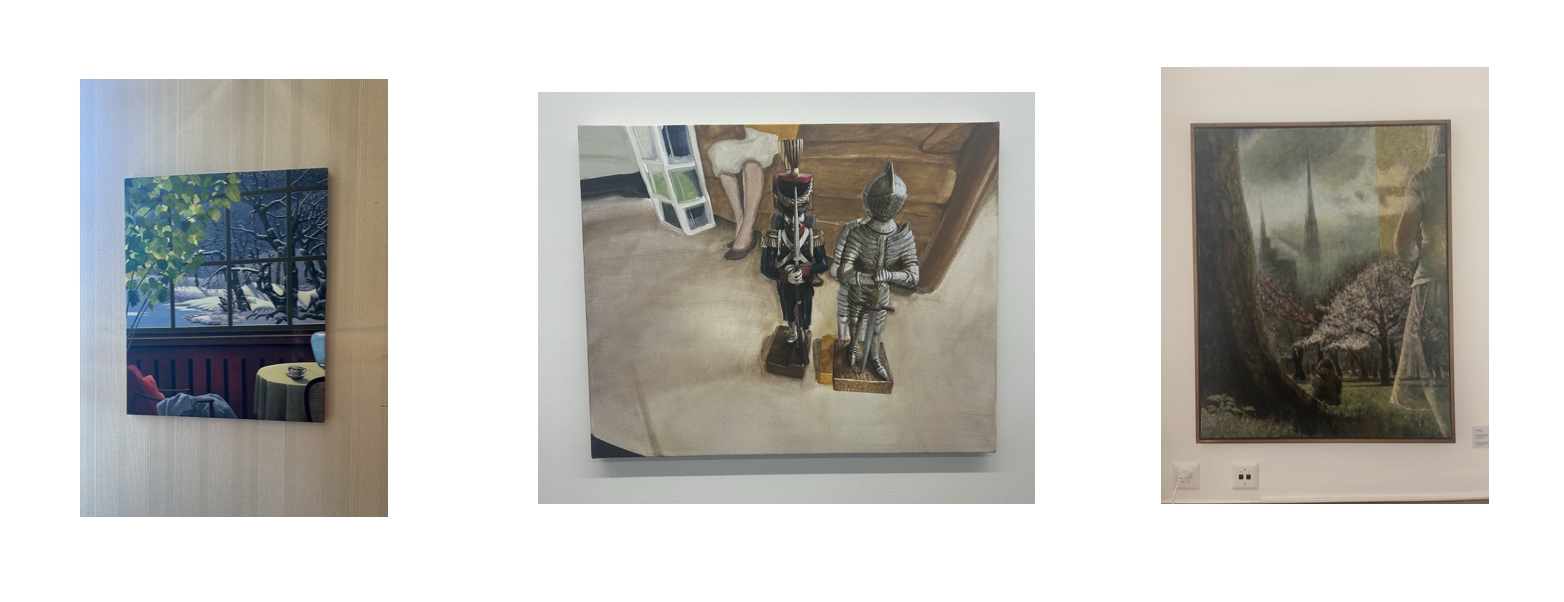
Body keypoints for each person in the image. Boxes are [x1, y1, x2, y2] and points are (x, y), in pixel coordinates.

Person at [1389, 129, 1450, 437]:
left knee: (1438, 380)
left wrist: (1418, 253)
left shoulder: (1423, 180)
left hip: (1432, 287)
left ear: (1432, 136)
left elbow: (1403, 246)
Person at [836, 162, 919, 381]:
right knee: (855, 321)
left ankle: (874, 357)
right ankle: (853, 347)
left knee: (876, 329)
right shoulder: (858, 234)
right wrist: (864, 278)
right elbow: (844, 272)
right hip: (859, 289)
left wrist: (890, 276)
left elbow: (913, 276)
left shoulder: (904, 236)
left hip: (882, 291)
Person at [759, 169, 827, 360]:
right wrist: (784, 276)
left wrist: (806, 272)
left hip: (805, 283)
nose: (794, 221)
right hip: (785, 283)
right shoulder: (774, 237)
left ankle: (802, 333)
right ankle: (793, 333)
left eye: (799, 215)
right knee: (788, 311)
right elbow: (766, 268)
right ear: (783, 215)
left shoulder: (814, 236)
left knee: (805, 314)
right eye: (789, 216)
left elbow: (822, 264)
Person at [707, 125, 797, 260]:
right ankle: (740, 223)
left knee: (751, 162)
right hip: (750, 135)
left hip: (775, 136)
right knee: (717, 152)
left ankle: (746, 230)